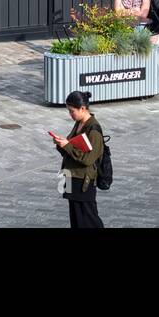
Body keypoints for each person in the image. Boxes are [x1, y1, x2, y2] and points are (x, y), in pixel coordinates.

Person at [50, 90, 105, 228]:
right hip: (72, 178)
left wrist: (67, 146)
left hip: (83, 182)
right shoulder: (79, 123)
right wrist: (62, 144)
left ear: (82, 108)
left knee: (88, 219)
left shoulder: (94, 131)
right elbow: (72, 147)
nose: (70, 115)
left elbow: (88, 159)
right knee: (76, 219)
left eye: (71, 111)